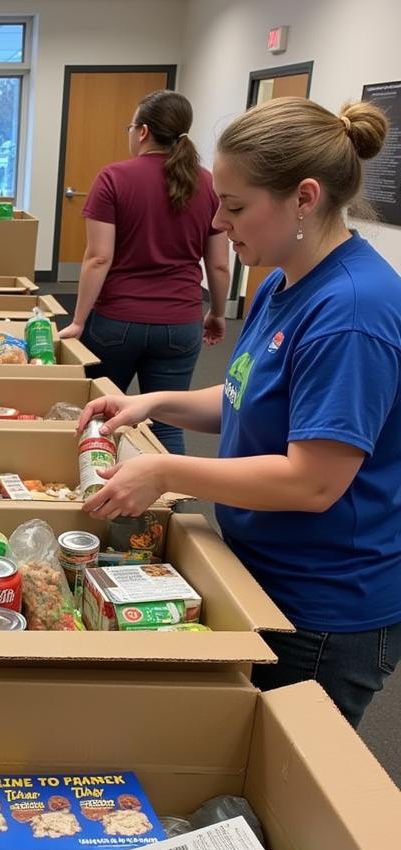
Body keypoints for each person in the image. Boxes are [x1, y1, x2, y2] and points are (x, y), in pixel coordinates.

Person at [77, 97, 401, 729]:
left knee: (288, 775)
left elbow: (313, 481)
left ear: (304, 198)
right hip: (264, 568)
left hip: (327, 605)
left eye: (235, 205)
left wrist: (169, 472)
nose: (220, 224)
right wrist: (156, 400)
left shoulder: (351, 313)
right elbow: (246, 400)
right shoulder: (284, 281)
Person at [59, 90, 230, 454]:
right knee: (169, 423)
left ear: (143, 131)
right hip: (180, 324)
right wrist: (216, 312)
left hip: (116, 322)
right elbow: (217, 263)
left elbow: (98, 258)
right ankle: (170, 508)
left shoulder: (113, 178)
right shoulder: (208, 184)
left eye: (131, 126)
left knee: (97, 415)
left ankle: (91, 497)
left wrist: (78, 320)